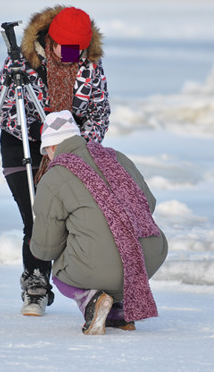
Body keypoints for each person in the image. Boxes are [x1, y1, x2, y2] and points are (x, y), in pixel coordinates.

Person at [0, 6, 110, 316]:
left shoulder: (91, 68)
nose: (74, 55)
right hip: (23, 145)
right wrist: (42, 133)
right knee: (36, 219)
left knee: (73, 220)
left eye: (80, 49)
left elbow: (99, 114)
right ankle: (36, 287)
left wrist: (78, 145)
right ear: (50, 40)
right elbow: (3, 111)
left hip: (70, 151)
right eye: (68, 48)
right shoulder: (22, 63)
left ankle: (88, 293)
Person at [30, 111, 168, 335]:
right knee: (104, 245)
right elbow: (148, 204)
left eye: (46, 152)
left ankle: (92, 300)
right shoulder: (116, 157)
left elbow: (47, 248)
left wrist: (35, 247)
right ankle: (118, 312)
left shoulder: (55, 176)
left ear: (52, 147)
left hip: (104, 266)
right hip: (149, 257)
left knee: (61, 267)